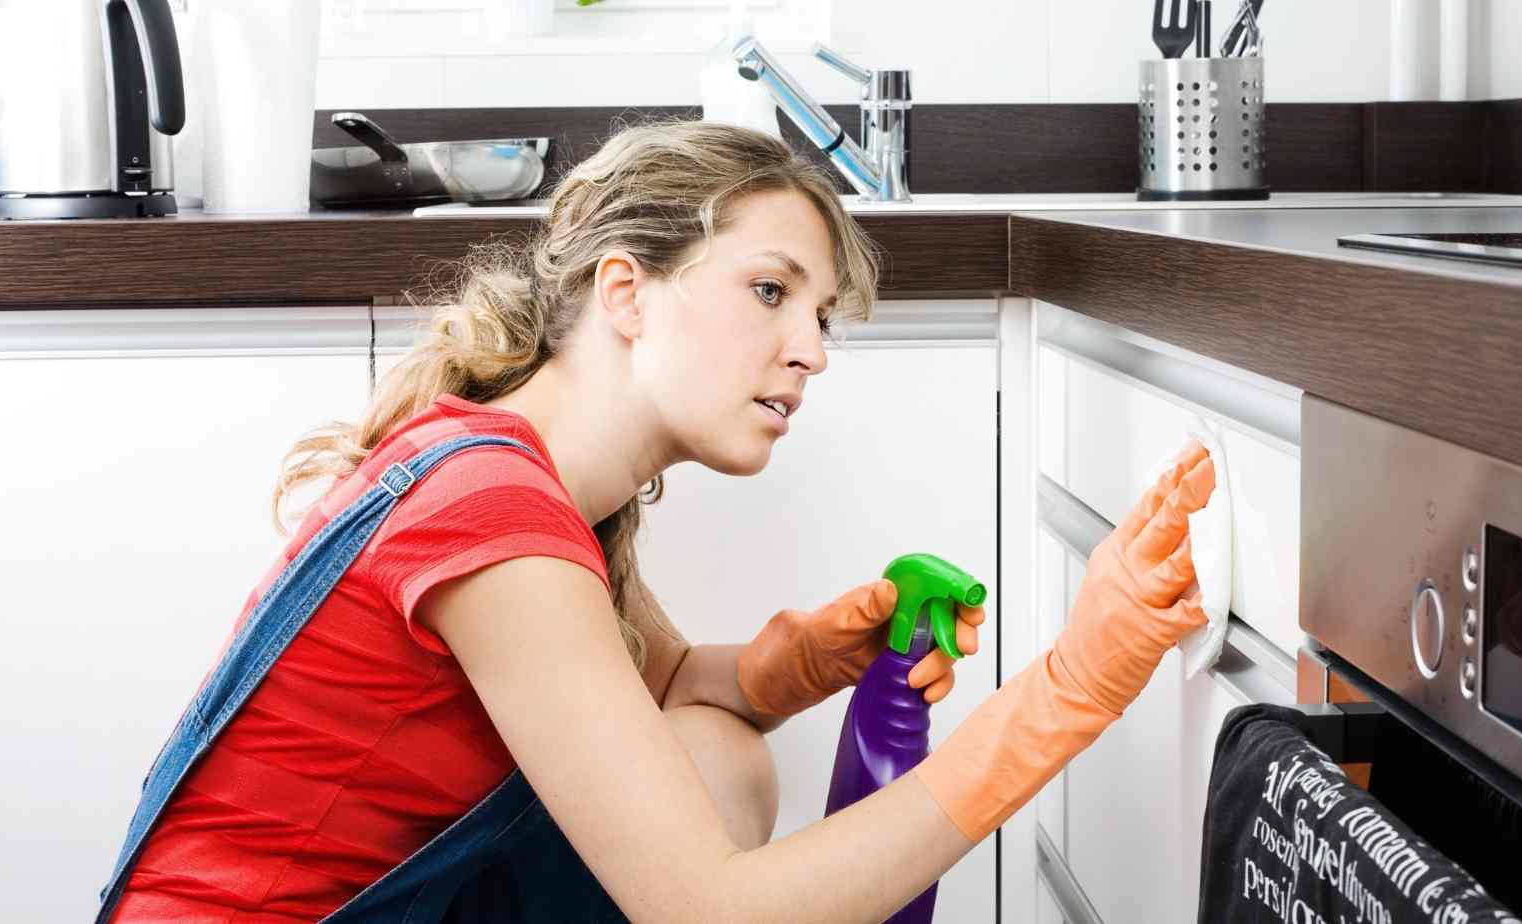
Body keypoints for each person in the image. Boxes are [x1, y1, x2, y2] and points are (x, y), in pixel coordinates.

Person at [97, 120, 1214, 924]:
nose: (811, 351)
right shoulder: (495, 517)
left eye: (820, 316)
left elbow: (655, 686)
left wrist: (785, 671)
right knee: (713, 788)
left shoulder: (506, 468)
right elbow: (709, 911)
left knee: (716, 754)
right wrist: (1066, 695)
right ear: (625, 292)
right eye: (771, 292)